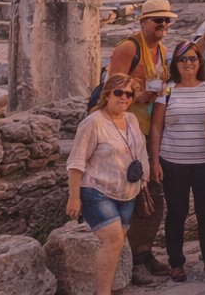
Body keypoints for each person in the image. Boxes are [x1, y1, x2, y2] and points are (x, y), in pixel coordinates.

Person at [106, 0, 177, 284]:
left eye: (167, 20)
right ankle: (128, 261)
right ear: (143, 22)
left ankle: (143, 253)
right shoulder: (128, 48)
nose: (164, 24)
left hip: (148, 132)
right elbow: (112, 87)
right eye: (158, 19)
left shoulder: (163, 52)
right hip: (123, 133)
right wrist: (138, 95)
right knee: (127, 193)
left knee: (153, 193)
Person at [67, 74, 153, 295]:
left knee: (117, 242)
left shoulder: (131, 119)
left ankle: (107, 287)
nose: (124, 97)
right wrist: (74, 197)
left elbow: (140, 150)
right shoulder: (93, 122)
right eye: (119, 92)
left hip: (127, 192)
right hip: (97, 190)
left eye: (129, 94)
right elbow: (76, 162)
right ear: (107, 94)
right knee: (114, 241)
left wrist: (144, 181)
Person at [149, 41, 205, 281]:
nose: (188, 63)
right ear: (175, 63)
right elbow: (156, 128)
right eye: (183, 59)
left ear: (200, 62)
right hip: (173, 162)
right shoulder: (167, 90)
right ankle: (176, 263)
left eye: (193, 58)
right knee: (176, 213)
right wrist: (154, 162)